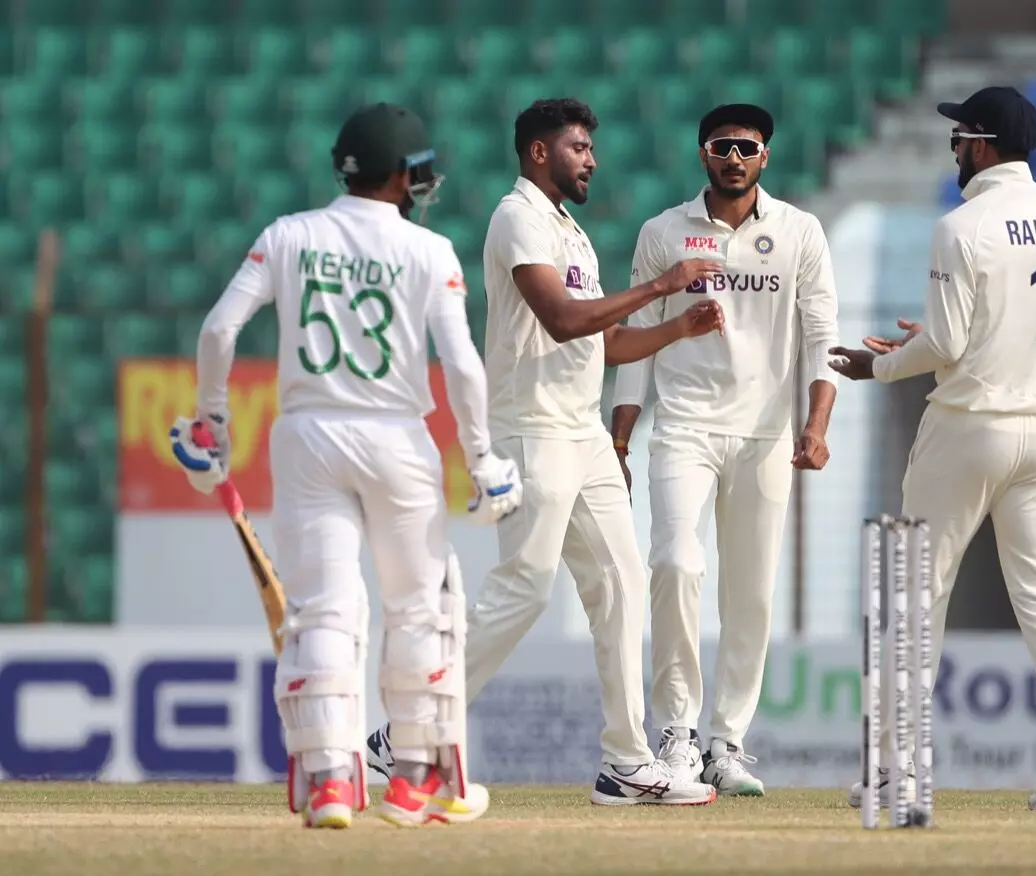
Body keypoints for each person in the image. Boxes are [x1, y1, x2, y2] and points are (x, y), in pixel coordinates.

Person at [168, 103, 523, 829]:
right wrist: (482, 457)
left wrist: (212, 422)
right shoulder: (428, 250)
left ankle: (330, 781)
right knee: (420, 606)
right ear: (398, 175)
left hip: (307, 437)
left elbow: (219, 329)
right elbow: (461, 365)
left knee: (322, 609)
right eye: (416, 172)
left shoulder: (289, 234)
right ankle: (416, 781)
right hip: (397, 438)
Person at [369, 98, 727, 805]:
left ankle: (625, 762)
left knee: (622, 585)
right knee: (525, 588)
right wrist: (661, 285)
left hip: (582, 431)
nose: (592, 159)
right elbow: (562, 321)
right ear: (540, 152)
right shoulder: (517, 218)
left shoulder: (571, 231)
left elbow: (604, 342)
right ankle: (404, 731)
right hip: (531, 428)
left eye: (591, 147)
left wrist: (676, 328)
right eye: (578, 147)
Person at [832, 86, 1036, 812]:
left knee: (913, 593)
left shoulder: (961, 226)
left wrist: (880, 366)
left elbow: (946, 345)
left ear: (983, 144)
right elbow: (1003, 329)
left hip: (971, 425)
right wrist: (934, 340)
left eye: (959, 139)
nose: (955, 152)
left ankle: (895, 769)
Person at [609, 103, 840, 796]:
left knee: (751, 594)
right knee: (675, 563)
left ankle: (727, 742)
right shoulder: (663, 231)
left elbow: (821, 336)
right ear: (703, 154)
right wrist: (620, 434)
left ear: (764, 156)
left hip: (764, 434)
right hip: (684, 424)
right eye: (722, 146)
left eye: (747, 147)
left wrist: (816, 424)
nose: (734, 158)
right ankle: (678, 734)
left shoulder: (799, 230)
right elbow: (637, 336)